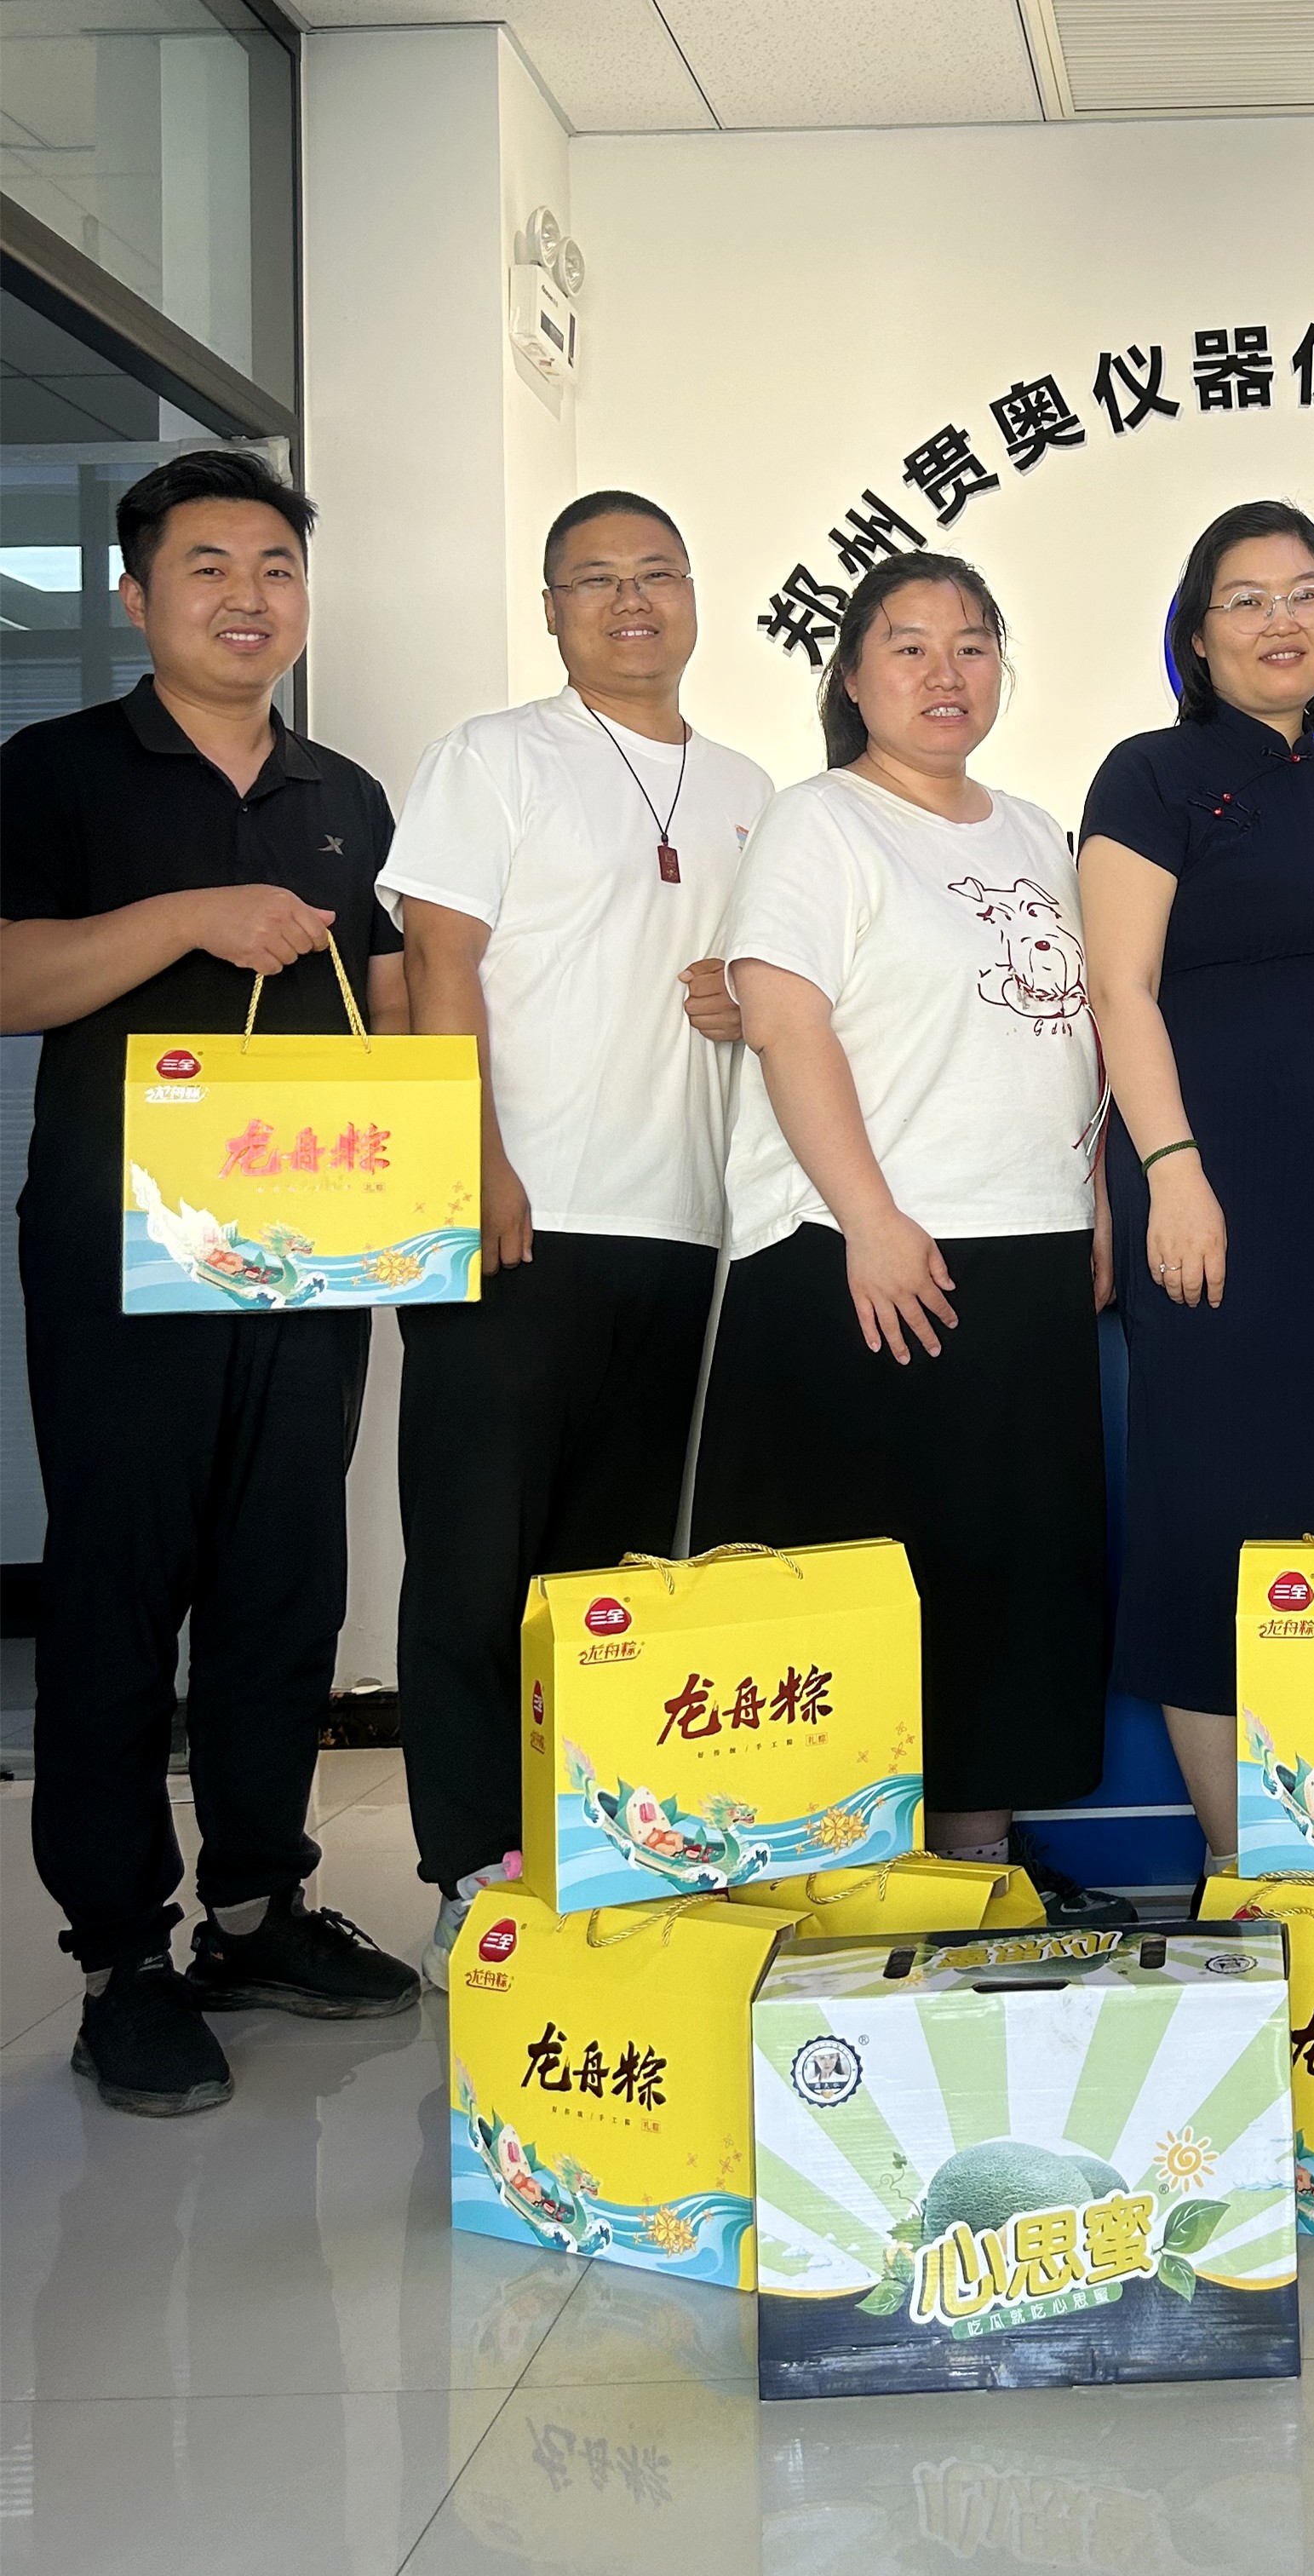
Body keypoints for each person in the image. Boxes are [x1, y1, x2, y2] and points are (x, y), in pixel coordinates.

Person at [0, 449, 420, 2115]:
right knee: (120, 1591)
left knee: (282, 1584)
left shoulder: (345, 795)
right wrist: (189, 913)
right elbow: (10, 978)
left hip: (310, 1244)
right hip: (122, 1247)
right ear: (136, 596)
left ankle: (258, 1907)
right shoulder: (57, 771)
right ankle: (123, 1958)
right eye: (208, 568)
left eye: (275, 568)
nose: (249, 598)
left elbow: (390, 996)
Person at [381, 490, 772, 1981]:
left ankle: (589, 1855)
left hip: (684, 1226)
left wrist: (744, 996)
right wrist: (473, 1163)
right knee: (473, 1566)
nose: (630, 600)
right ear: (551, 611)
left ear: (696, 594)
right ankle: (466, 1868)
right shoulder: (495, 757)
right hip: (518, 1218)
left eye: (656, 573)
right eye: (594, 579)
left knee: (612, 1578)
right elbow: (436, 962)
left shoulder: (749, 787)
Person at [691, 553, 1115, 1903]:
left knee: (1005, 1575)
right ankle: (847, 1882)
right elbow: (784, 1018)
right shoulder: (822, 821)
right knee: (867, 1577)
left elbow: (1079, 1036)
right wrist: (869, 1218)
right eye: (911, 646)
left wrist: (1097, 1199)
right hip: (863, 1254)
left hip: (1027, 1249)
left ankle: (977, 1869)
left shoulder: (1038, 832)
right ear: (853, 676)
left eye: (973, 646)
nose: (946, 674)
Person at [1079, 499, 1314, 1860]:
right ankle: (1240, 1865)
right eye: (1247, 599)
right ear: (1196, 634)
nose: (1282, 621)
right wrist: (1172, 1171)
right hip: (1206, 1186)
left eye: (1307, 594)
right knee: (1214, 1507)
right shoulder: (1150, 775)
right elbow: (1120, 988)